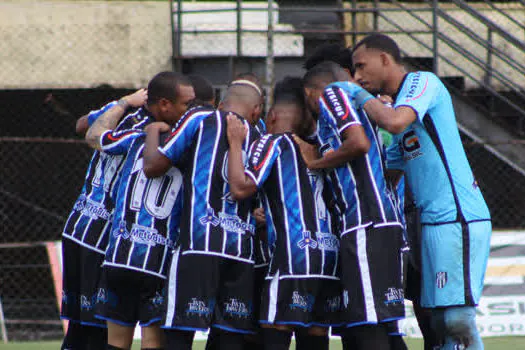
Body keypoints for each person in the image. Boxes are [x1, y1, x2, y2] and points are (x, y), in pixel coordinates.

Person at [349, 33, 492, 349]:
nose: (358, 76)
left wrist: (354, 94)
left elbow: (396, 122)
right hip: (429, 225)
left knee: (458, 319)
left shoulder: (421, 82)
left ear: (385, 59)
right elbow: (389, 173)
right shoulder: (400, 109)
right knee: (438, 321)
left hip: (458, 217)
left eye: (361, 66)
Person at [143, 81, 263, 350]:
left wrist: (153, 133)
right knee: (229, 336)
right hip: (240, 252)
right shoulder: (260, 138)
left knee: (180, 334)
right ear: (256, 110)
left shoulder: (199, 117)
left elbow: (153, 167)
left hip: (198, 247)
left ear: (222, 103)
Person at [225, 77, 341, 350]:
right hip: (328, 258)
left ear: (272, 115)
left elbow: (240, 189)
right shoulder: (322, 147)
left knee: (275, 329)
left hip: (293, 257)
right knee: (315, 333)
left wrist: (234, 142)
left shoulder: (273, 143)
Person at [298, 61, 405, 350]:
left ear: (310, 93)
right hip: (381, 220)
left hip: (366, 222)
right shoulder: (354, 110)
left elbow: (358, 143)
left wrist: (315, 162)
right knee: (382, 324)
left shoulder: (333, 94)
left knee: (368, 323)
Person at [85, 71, 195, 350]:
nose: (191, 111)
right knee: (153, 342)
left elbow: (93, 135)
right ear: (165, 105)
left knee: (116, 344)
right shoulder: (190, 145)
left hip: (119, 260)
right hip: (158, 265)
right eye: (186, 104)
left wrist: (121, 104)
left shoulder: (134, 137)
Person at [60, 89, 147, 350]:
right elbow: (85, 128)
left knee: (80, 326)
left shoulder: (120, 114)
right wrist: (124, 102)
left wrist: (123, 103)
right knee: (96, 326)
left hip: (78, 228)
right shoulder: (147, 130)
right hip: (102, 238)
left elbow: (83, 123)